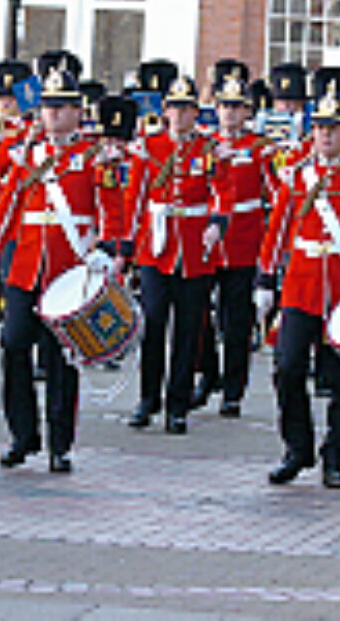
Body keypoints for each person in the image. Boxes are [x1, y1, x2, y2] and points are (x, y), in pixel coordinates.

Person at [0, 69, 123, 473]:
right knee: (13, 345)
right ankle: (22, 435)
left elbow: (112, 208)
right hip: (25, 267)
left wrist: (107, 248)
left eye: (60, 108)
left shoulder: (94, 156)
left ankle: (61, 443)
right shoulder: (29, 155)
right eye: (47, 108)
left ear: (77, 112)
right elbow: (8, 205)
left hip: (68, 270)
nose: (52, 115)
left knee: (62, 360)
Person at [256, 88, 340, 489]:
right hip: (301, 286)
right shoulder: (299, 175)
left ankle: (334, 456)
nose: (325, 137)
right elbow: (279, 228)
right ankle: (296, 448)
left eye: (333, 130)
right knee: (287, 366)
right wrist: (266, 277)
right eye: (319, 129)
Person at [125, 68, 227, 434]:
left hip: (195, 247)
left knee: (188, 330)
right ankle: (147, 398)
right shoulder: (150, 147)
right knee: (153, 323)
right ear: (165, 110)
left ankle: (177, 404)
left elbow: (221, 190)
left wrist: (217, 222)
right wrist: (128, 246)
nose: (180, 116)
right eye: (175, 108)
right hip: (156, 246)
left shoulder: (208, 148)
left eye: (187, 109)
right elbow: (135, 197)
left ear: (195, 113)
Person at [199, 71, 272, 418]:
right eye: (224, 105)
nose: (229, 112)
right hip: (205, 241)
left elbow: (274, 194)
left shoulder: (258, 148)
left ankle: (233, 389)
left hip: (243, 239)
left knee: (236, 321)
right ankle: (207, 372)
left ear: (248, 111)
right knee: (199, 315)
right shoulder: (204, 144)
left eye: (236, 106)